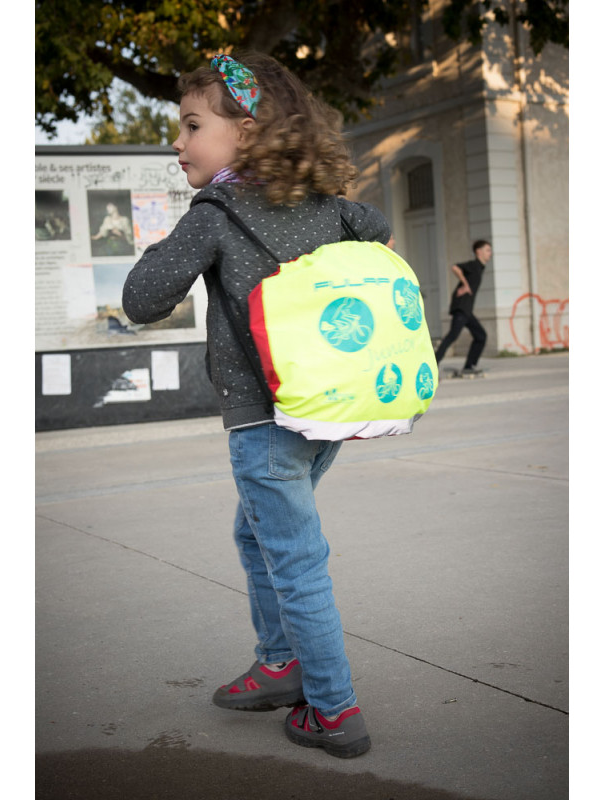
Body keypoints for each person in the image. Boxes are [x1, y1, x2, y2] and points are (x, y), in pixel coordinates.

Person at [122, 52, 391, 759]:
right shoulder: (331, 209)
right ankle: (280, 665)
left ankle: (332, 709)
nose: (176, 143)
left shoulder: (215, 212)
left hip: (265, 424)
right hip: (327, 413)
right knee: (259, 537)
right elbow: (381, 225)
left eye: (190, 126)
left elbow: (141, 299)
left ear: (246, 130)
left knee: (295, 559)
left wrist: (177, 238)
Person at [434, 240, 492, 376]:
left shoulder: (480, 268)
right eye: (487, 250)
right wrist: (465, 284)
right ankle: (433, 364)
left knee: (481, 336)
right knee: (452, 336)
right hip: (461, 307)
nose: (490, 253)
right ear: (478, 251)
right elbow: (455, 267)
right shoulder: (473, 265)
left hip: (467, 310)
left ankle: (469, 366)